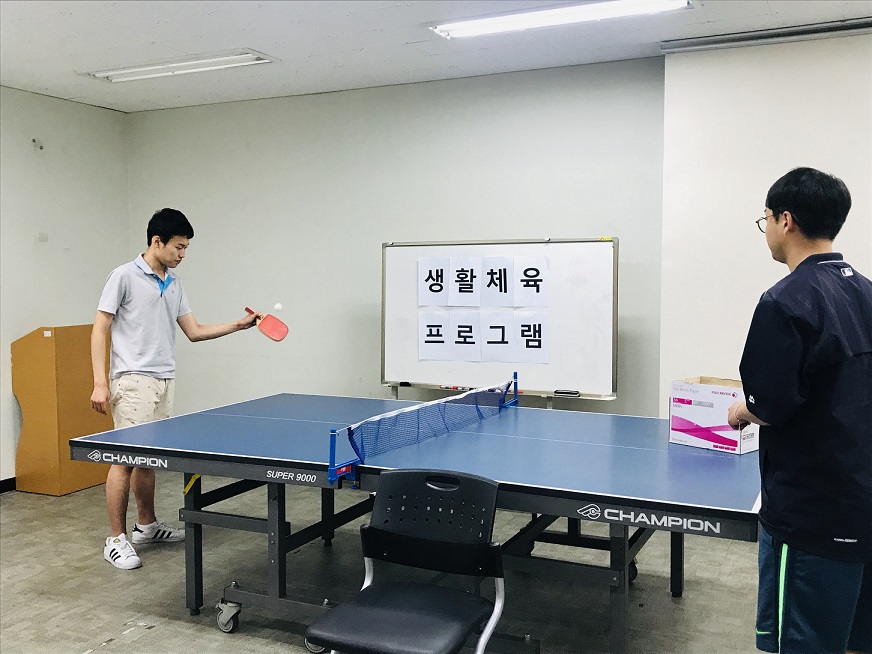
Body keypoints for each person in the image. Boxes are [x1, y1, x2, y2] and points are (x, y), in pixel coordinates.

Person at [727, 168, 871, 654]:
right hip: (862, 504)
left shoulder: (784, 302)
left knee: (802, 644)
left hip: (810, 515)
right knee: (855, 638)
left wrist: (740, 410)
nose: (766, 228)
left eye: (765, 218)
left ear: (785, 220)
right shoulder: (868, 293)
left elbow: (769, 405)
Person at [90, 208, 261, 570]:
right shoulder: (123, 276)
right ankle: (115, 540)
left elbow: (194, 331)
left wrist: (238, 325)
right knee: (124, 460)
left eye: (186, 248)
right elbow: (99, 328)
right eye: (179, 247)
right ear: (158, 241)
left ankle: (146, 526)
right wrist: (100, 383)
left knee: (148, 459)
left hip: (164, 379)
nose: (183, 254)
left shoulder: (174, 283)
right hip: (132, 380)